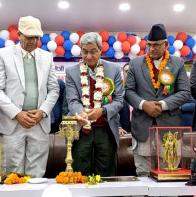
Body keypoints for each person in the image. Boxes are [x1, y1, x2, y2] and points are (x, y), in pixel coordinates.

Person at [0, 16, 59, 177]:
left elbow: (54, 90)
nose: (33, 41)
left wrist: (42, 112)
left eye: (36, 37)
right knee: (12, 175)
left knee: (37, 174)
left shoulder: (47, 57)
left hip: (39, 123)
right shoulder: (2, 55)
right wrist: (17, 114)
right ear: (19, 35)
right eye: (29, 37)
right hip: (13, 124)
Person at [125, 24, 190, 176]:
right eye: (149, 45)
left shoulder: (178, 63)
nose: (152, 49)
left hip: (169, 129)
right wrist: (143, 104)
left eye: (156, 45)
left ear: (166, 45)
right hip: (142, 128)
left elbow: (185, 92)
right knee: (143, 173)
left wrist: (162, 105)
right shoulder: (135, 63)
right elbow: (128, 91)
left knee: (170, 172)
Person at [66, 32, 124, 176]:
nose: (89, 56)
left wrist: (102, 110)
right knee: (80, 171)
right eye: (85, 52)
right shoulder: (72, 72)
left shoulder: (114, 69)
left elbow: (119, 100)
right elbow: (72, 100)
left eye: (93, 52)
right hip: (81, 129)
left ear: (100, 51)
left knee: (105, 173)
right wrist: (82, 112)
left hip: (106, 128)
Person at [119, 63, 131, 135]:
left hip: (141, 128)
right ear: (123, 74)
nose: (129, 73)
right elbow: (114, 111)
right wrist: (119, 127)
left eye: (131, 71)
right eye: (126, 71)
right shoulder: (117, 90)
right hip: (123, 130)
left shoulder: (144, 90)